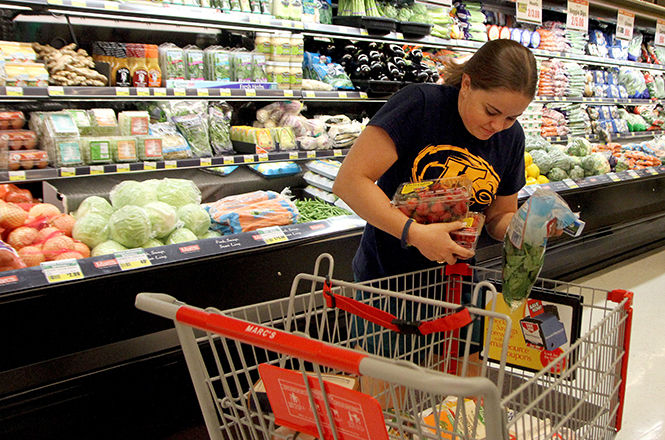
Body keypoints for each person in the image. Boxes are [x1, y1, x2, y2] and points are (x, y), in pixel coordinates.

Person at [333, 39, 538, 282]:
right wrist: (414, 233)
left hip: (455, 282)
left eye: (511, 117)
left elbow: (497, 217)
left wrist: (526, 228)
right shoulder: (420, 105)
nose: (497, 126)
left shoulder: (511, 137)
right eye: (491, 111)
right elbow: (350, 182)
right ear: (467, 84)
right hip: (385, 282)